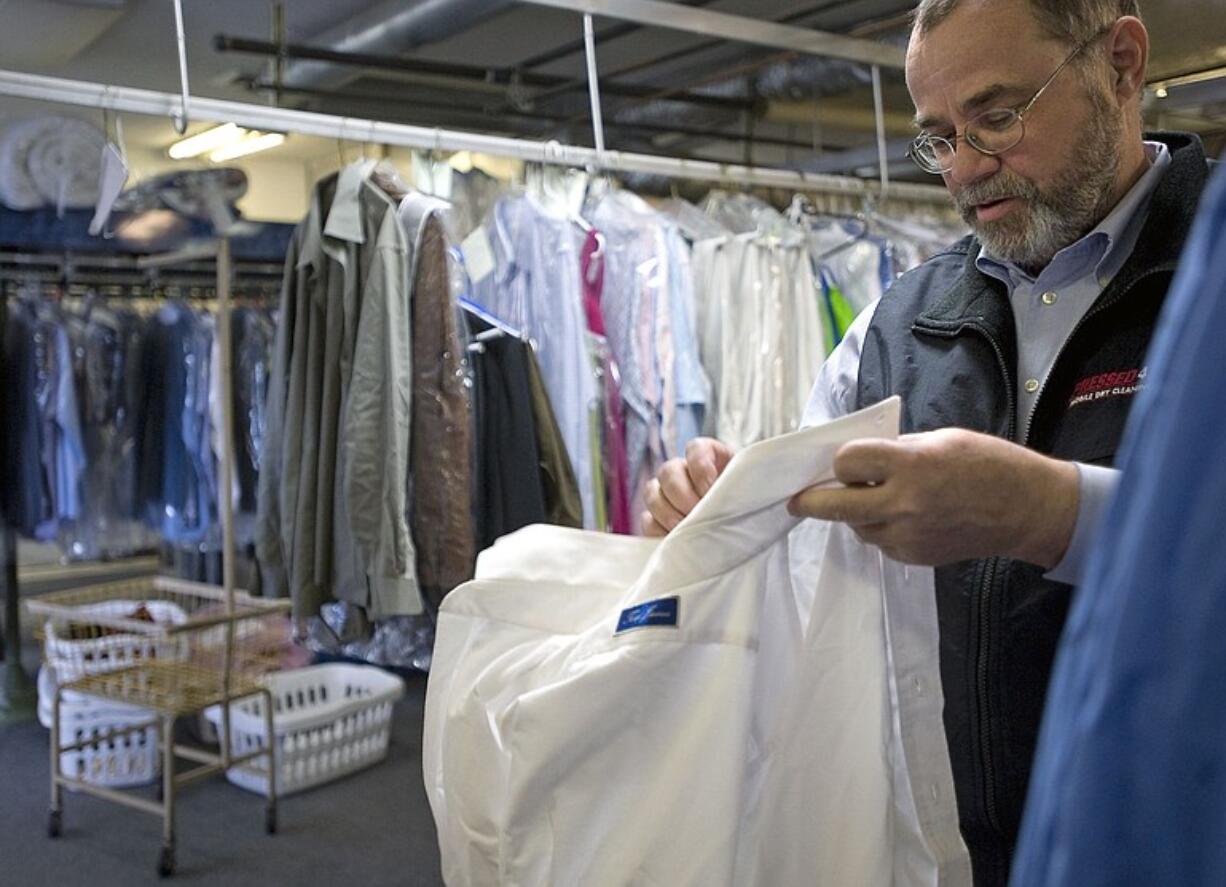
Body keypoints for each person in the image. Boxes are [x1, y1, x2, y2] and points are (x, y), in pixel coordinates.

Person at [645, 1, 1217, 884]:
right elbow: (800, 550)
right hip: (940, 855)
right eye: (939, 137)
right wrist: (713, 505)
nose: (966, 169)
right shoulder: (895, 325)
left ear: (1122, 62)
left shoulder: (1210, 287)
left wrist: (1049, 512)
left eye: (997, 117)